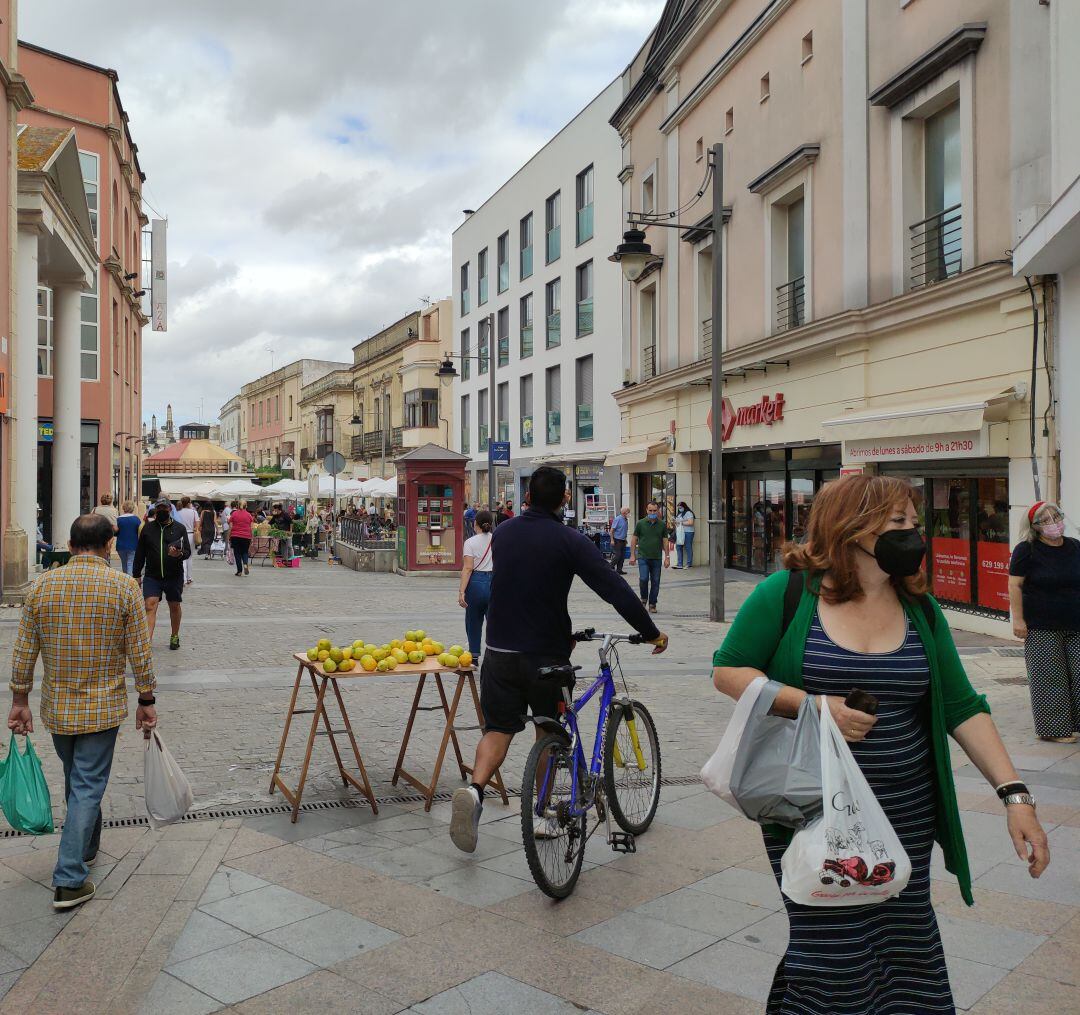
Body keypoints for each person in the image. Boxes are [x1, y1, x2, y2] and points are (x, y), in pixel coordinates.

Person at [712, 474, 1049, 1014]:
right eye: (898, 524)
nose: (913, 535)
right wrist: (815, 705)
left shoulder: (919, 606)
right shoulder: (788, 592)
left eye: (915, 524)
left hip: (904, 812)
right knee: (832, 952)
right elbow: (728, 671)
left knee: (905, 943)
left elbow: (963, 707)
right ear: (851, 527)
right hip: (811, 809)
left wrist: (1016, 795)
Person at [449, 467, 669, 853]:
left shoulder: (502, 533)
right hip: (544, 656)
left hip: (499, 650)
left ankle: (475, 790)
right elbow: (613, 588)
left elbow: (520, 581)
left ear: (527, 497)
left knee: (497, 731)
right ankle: (543, 815)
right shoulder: (570, 540)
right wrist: (650, 630)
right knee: (549, 731)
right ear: (565, 499)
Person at [8, 513, 157, 911]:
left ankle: (87, 847)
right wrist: (146, 699)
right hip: (103, 706)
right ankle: (70, 878)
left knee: (78, 778)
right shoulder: (124, 588)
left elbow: (24, 652)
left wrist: (19, 700)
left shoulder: (41, 587)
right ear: (110, 545)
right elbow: (140, 653)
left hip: (58, 708)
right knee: (88, 784)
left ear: (71, 545)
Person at [1009, 501, 1080, 743]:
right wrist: (1018, 619)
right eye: (1045, 520)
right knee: (1049, 677)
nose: (1054, 523)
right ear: (1035, 527)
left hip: (1075, 622)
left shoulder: (1075, 547)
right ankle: (1054, 730)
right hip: (1041, 625)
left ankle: (1077, 724)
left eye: (1056, 516)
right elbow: (1015, 585)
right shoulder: (1026, 550)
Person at [133, 497, 191, 649]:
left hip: (174, 574)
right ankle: (147, 642)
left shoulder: (179, 528)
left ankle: (174, 635)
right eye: (159, 509)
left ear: (170, 509)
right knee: (149, 605)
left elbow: (187, 552)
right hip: (153, 575)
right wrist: (136, 574)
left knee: (174, 605)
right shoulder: (148, 528)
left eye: (164, 508)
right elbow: (140, 553)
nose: (162, 511)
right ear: (155, 510)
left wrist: (178, 554)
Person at [459, 510, 495, 659]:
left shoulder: (470, 542)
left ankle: (473, 656)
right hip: (494, 580)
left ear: (476, 524)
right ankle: (495, 653)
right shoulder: (497, 539)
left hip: (476, 581)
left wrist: (461, 591)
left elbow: (468, 568)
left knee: (473, 620)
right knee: (494, 621)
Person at [629, 501, 670, 613]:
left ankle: (652, 603)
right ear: (647, 510)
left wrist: (667, 557)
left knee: (655, 581)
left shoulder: (662, 524)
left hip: (657, 558)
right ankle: (643, 599)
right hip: (643, 557)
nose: (652, 512)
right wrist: (632, 555)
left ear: (658, 511)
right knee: (644, 578)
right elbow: (634, 539)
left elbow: (665, 541)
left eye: (654, 511)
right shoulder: (640, 523)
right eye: (650, 510)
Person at [175, 496, 198, 586]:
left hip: (180, 535)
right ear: (189, 503)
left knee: (182, 557)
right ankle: (189, 577)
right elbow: (197, 525)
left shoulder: (178, 512)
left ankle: (183, 579)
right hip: (191, 534)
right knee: (189, 557)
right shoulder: (193, 512)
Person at [229, 500, 254, 576]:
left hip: (235, 536)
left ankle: (239, 571)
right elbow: (251, 527)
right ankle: (245, 564)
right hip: (246, 536)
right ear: (246, 506)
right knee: (245, 552)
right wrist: (251, 537)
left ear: (237, 506)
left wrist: (229, 536)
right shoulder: (249, 515)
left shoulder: (234, 514)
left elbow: (230, 526)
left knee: (237, 553)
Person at [115, 501, 141, 575]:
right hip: (133, 544)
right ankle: (129, 579)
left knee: (124, 563)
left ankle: (125, 578)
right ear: (132, 508)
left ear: (123, 508)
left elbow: (116, 532)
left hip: (121, 545)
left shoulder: (118, 519)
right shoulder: (136, 519)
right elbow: (139, 531)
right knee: (130, 563)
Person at [674, 500, 696, 568]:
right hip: (680, 532)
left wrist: (681, 523)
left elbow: (691, 522)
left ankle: (689, 564)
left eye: (681, 507)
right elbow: (678, 523)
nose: (679, 509)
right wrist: (675, 522)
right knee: (678, 546)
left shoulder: (688, 513)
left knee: (688, 547)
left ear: (684, 507)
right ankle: (679, 564)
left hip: (688, 532)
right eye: (679, 507)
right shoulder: (679, 514)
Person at [609, 506, 630, 574]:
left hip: (623, 540)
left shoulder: (626, 520)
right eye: (628, 512)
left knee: (622, 556)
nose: (629, 513)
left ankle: (619, 570)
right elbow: (612, 530)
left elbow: (624, 530)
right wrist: (612, 540)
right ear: (624, 512)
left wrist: (625, 539)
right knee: (617, 555)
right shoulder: (618, 519)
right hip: (617, 540)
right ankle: (609, 567)